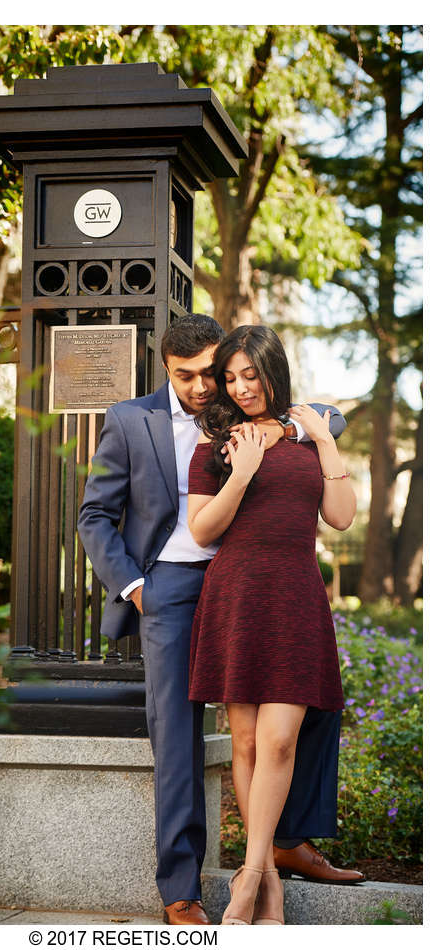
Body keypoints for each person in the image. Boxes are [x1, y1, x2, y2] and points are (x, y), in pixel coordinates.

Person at [78, 314, 362, 926]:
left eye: (219, 372)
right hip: (175, 585)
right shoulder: (133, 420)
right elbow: (95, 514)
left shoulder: (252, 416)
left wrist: (318, 428)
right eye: (192, 376)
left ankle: (282, 844)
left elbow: (319, 413)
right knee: (180, 735)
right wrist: (134, 587)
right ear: (166, 369)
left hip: (267, 582)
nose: (209, 386)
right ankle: (181, 888)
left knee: (301, 722)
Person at [187, 324, 356, 924]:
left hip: (295, 597)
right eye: (230, 379)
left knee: (281, 738)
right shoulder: (218, 444)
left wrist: (323, 444)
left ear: (272, 370)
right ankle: (267, 882)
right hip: (237, 596)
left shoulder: (309, 433)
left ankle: (254, 871)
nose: (240, 387)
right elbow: (203, 531)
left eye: (249, 375)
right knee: (250, 742)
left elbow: (339, 517)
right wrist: (242, 470)